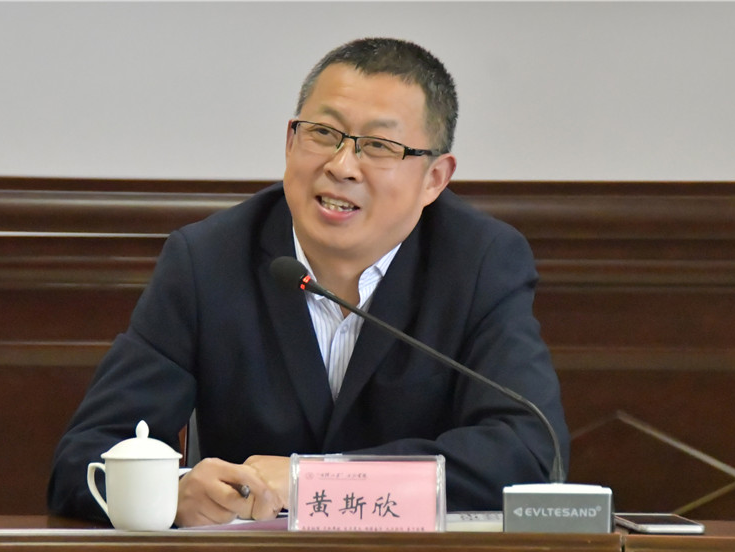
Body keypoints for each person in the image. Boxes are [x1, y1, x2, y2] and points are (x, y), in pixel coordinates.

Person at [48, 37, 569, 527]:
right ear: (290, 141)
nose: (342, 166)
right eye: (323, 133)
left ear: (434, 178)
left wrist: (315, 482)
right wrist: (173, 493)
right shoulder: (207, 261)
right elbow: (83, 458)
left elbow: (528, 452)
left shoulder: (479, 263)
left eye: (378, 145)